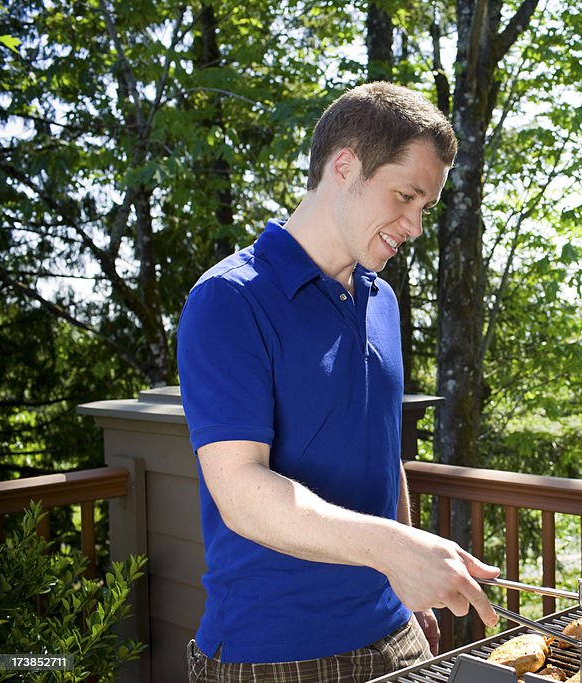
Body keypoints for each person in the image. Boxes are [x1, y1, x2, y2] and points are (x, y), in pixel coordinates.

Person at [177, 82, 499, 683]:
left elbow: (383, 451)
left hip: (395, 633)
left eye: (424, 206)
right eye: (405, 196)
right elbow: (240, 489)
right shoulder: (228, 299)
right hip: (274, 655)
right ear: (344, 165)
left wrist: (409, 592)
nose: (415, 225)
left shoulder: (382, 302)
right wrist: (395, 551)